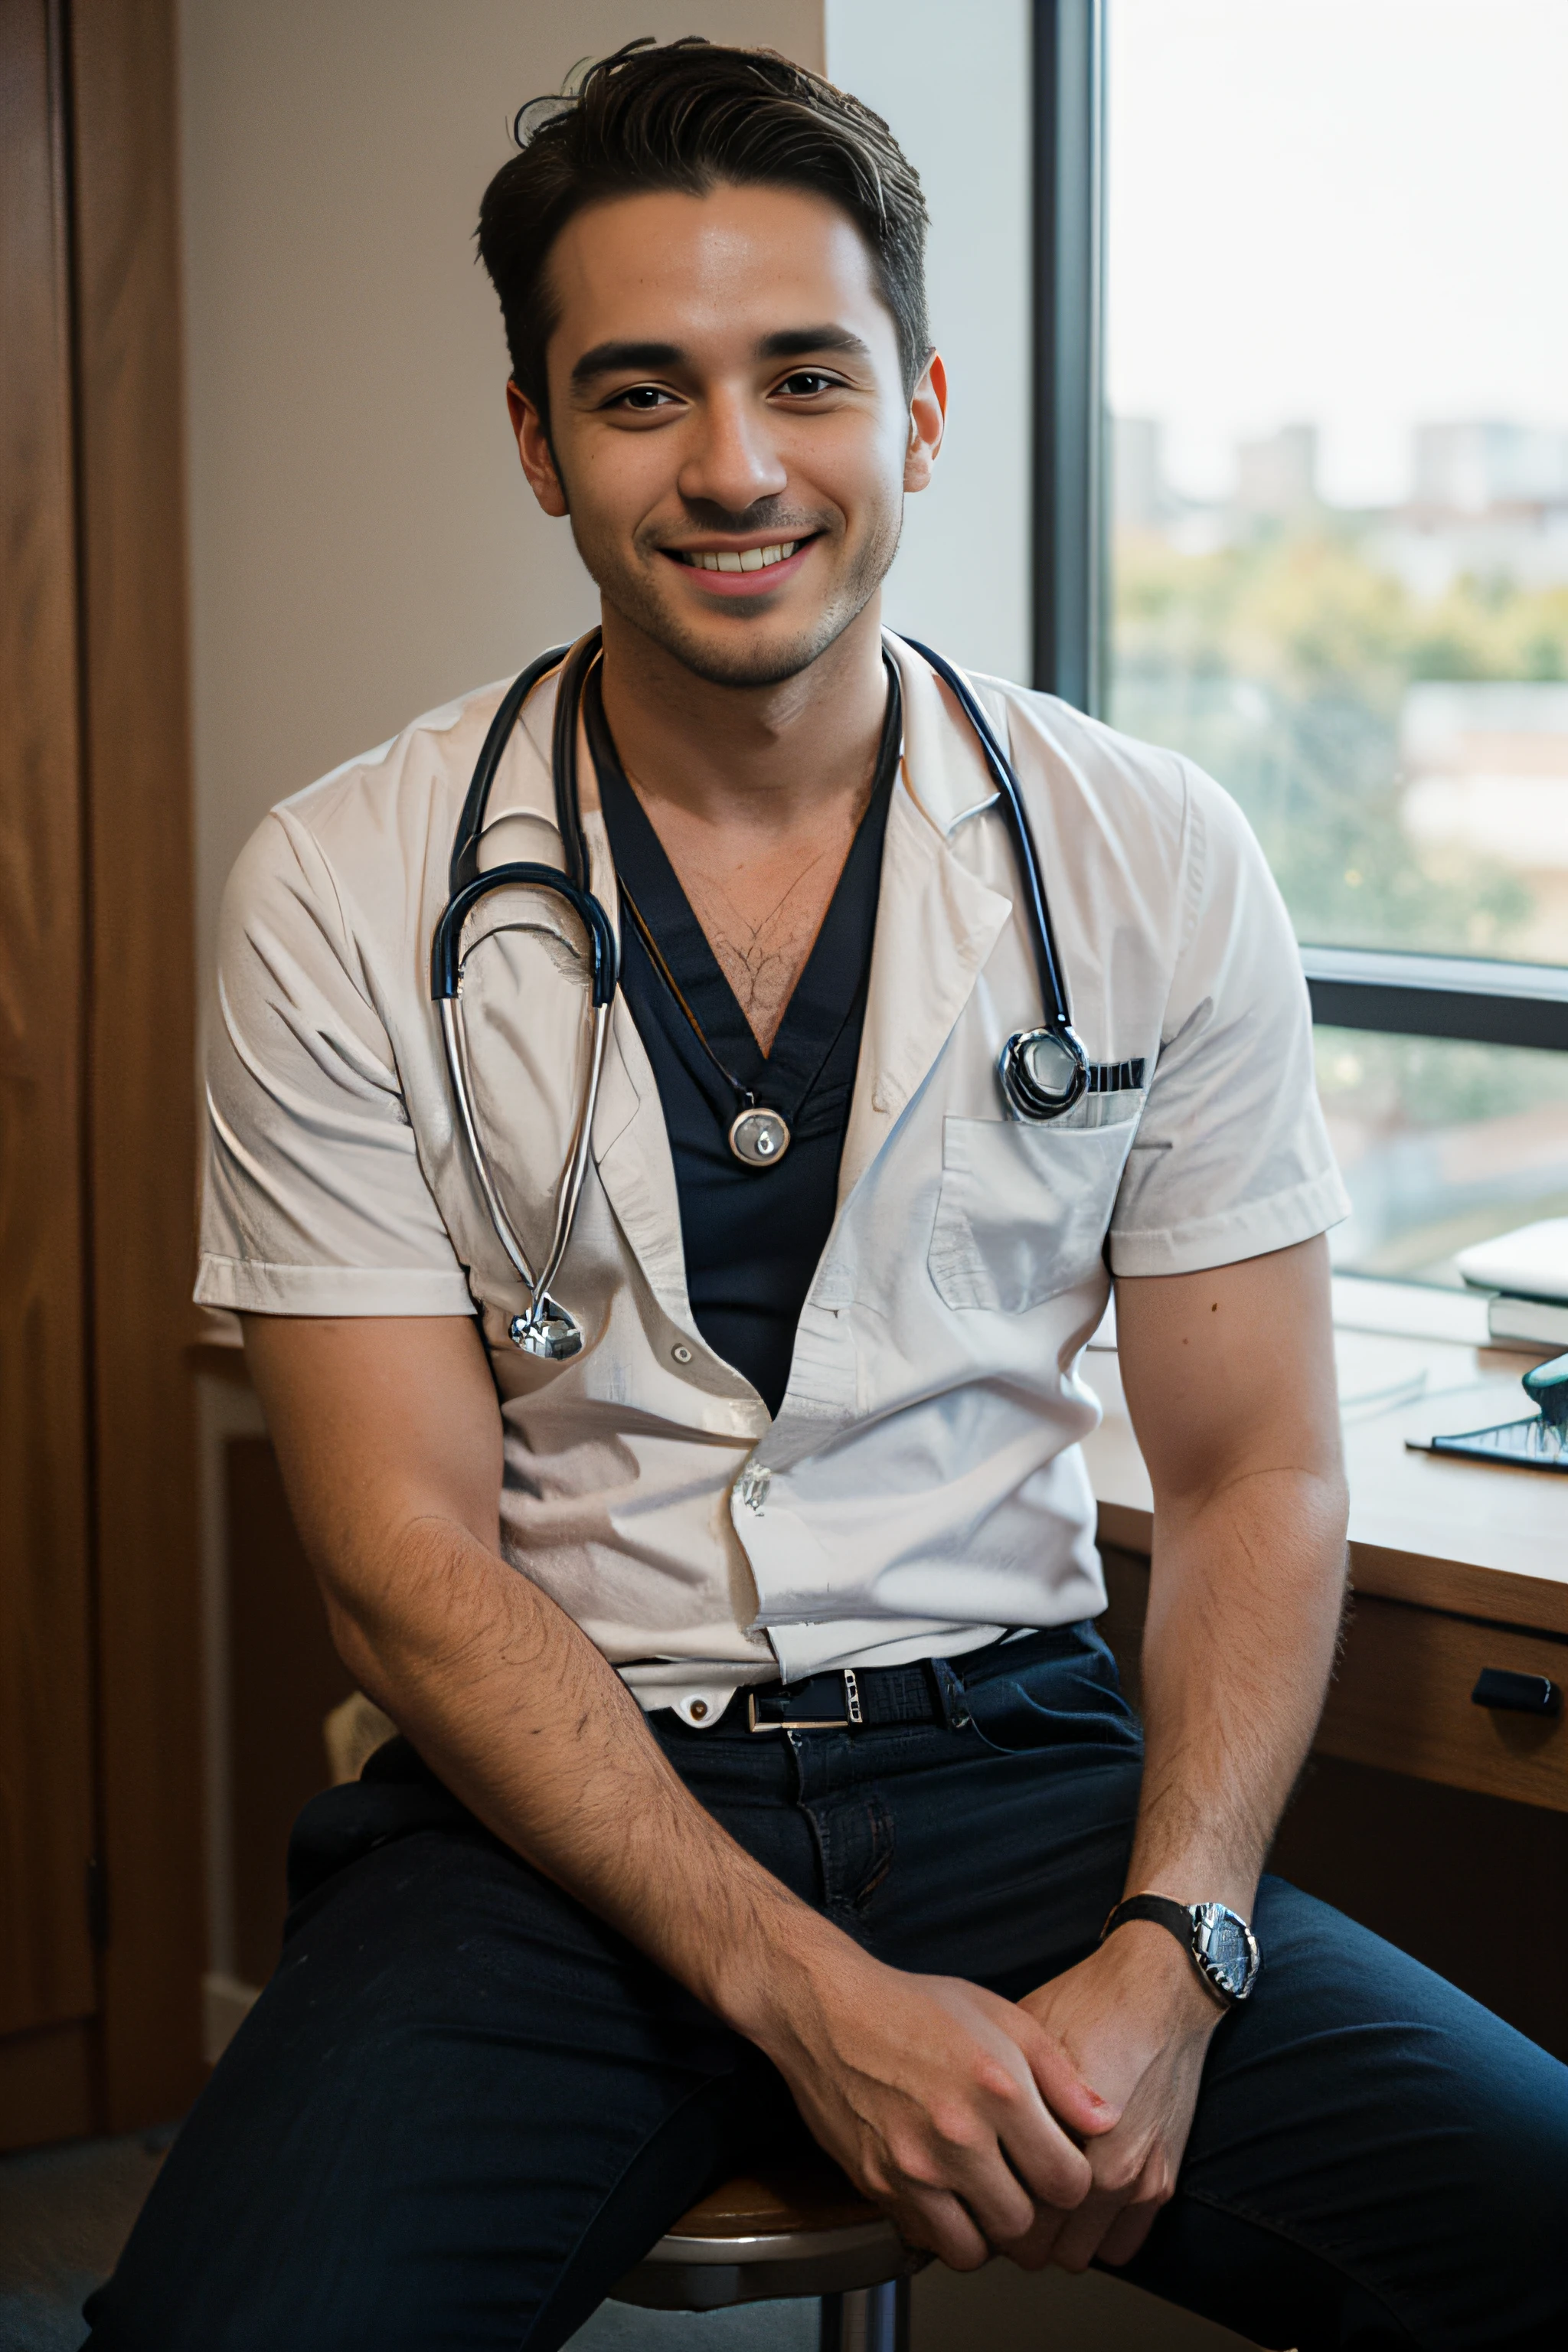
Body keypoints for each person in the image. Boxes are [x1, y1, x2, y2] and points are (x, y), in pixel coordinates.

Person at [87, 37, 1566, 2352]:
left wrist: (1176, 1960)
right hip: (546, 1821)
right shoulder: (346, 878)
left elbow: (1262, 1465)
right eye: (643, 391)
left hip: (1027, 1782)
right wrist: (807, 1993)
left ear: (927, 406)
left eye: (807, 376)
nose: (739, 465)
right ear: (537, 436)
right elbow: (398, 1561)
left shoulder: (1150, 854)